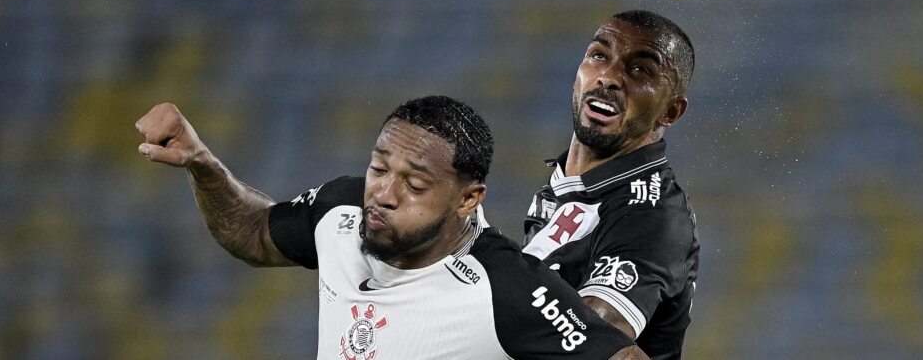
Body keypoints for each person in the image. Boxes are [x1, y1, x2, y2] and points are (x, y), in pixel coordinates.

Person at [136, 96, 649, 359]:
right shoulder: (340, 208)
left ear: (468, 199)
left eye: (415, 185)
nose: (383, 193)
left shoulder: (507, 287)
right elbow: (251, 233)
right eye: (380, 168)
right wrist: (202, 163)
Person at [522, 10, 700, 359]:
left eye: (641, 70)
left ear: (670, 112)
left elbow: (591, 337)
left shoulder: (653, 215)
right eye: (599, 55)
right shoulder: (569, 184)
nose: (609, 77)